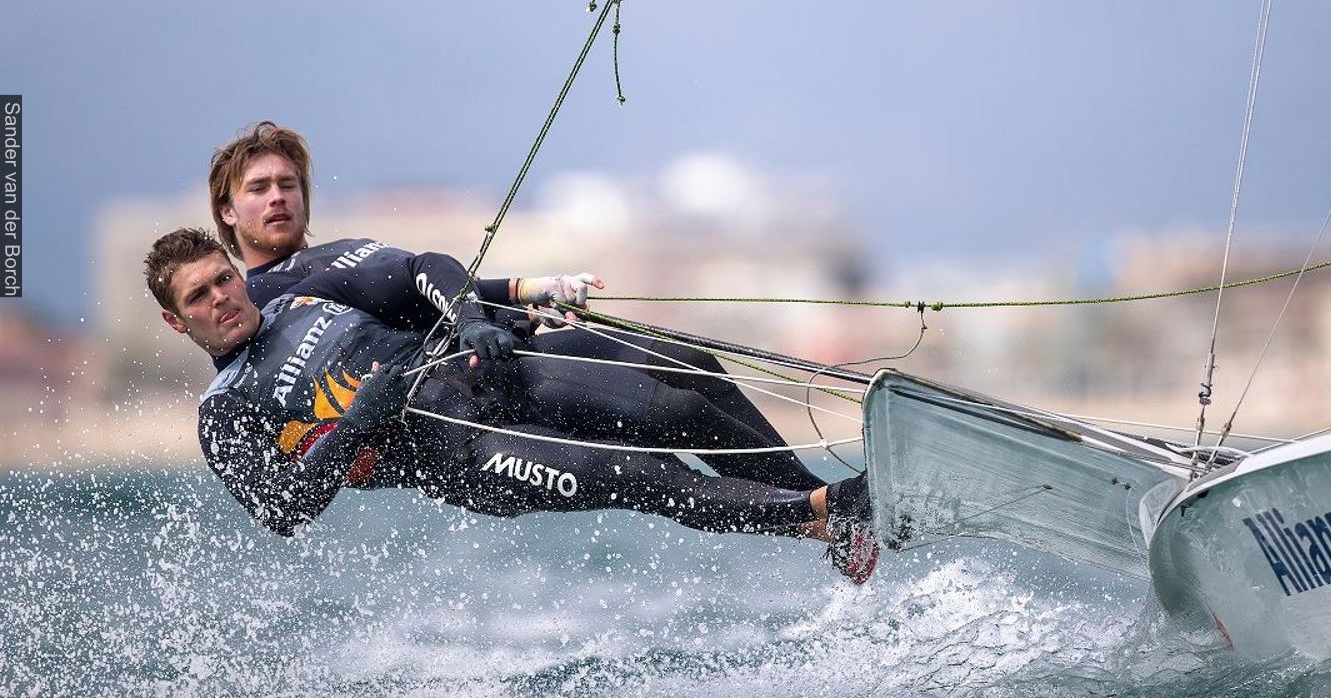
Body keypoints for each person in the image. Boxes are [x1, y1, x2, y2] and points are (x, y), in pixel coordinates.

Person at [147, 227, 878, 583]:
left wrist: (471, 317)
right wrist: (356, 423)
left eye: (222, 279)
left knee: (672, 393)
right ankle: (828, 505)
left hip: (488, 375)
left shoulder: (300, 293)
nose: (222, 298)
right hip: (460, 454)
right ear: (179, 323)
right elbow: (280, 506)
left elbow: (419, 271)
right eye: (199, 297)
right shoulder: (226, 409)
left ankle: (828, 519)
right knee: (637, 470)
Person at [205, 120, 833, 495]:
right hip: (470, 406)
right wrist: (473, 316)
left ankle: (819, 499)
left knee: (689, 360)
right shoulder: (268, 296)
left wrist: (529, 290)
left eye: (288, 184)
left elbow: (413, 294)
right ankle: (820, 509)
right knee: (664, 421)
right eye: (258, 189)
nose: (278, 198)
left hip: (500, 348)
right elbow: (414, 281)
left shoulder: (329, 256)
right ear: (229, 213)